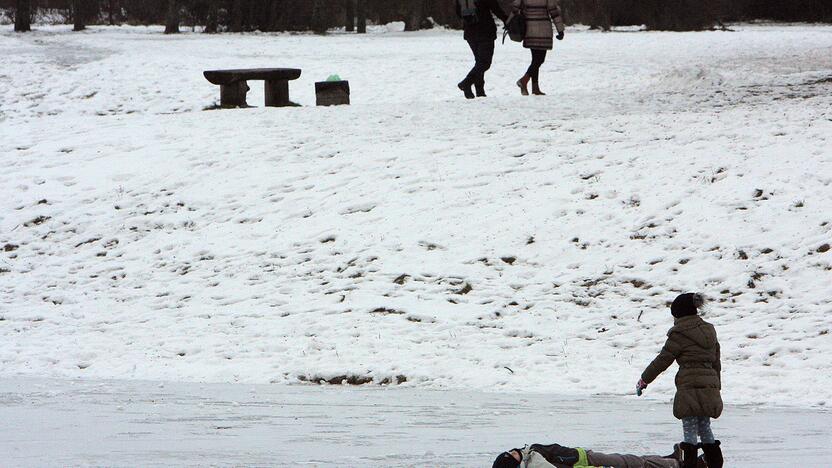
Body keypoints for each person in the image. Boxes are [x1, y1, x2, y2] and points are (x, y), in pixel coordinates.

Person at [637, 293, 724, 468]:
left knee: (690, 427)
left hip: (689, 384)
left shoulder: (680, 334)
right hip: (710, 384)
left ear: (679, 314)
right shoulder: (709, 330)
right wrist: (716, 386)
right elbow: (716, 361)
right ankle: (715, 463)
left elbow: (663, 360)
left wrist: (644, 379)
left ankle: (690, 464)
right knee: (705, 426)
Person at [455, 0, 508, 99]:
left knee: (479, 62)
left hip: (470, 32)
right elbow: (496, 8)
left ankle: (479, 91)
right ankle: (466, 83)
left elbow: (458, 12)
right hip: (485, 31)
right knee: (484, 63)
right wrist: (507, 20)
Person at [512, 0, 565, 96]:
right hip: (543, 29)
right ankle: (524, 80)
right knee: (539, 60)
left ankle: (535, 88)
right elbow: (553, 11)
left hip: (529, 28)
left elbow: (515, 7)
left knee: (535, 60)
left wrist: (509, 22)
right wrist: (560, 29)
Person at [491, 441, 682, 468]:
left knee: (631, 460)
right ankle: (676, 464)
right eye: (510, 456)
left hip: (583, 455)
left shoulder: (529, 451)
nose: (512, 452)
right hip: (585, 462)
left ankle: (670, 459)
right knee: (632, 463)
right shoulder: (534, 461)